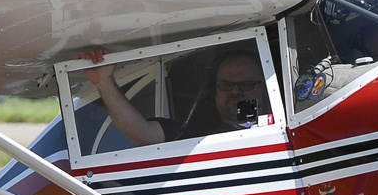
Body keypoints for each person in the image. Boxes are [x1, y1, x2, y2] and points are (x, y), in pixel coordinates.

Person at [84, 48, 267, 146]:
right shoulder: (194, 138)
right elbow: (142, 133)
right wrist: (104, 82)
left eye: (246, 84)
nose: (235, 91)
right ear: (215, 91)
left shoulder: (277, 129)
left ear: (264, 88)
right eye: (226, 85)